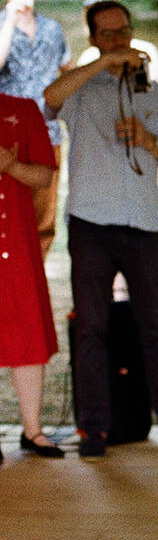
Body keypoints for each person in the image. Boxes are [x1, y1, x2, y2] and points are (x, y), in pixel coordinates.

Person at [43, 0, 158, 458]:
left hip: (142, 224)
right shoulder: (82, 89)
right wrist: (102, 64)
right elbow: (50, 98)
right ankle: (94, 430)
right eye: (107, 35)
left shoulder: (155, 94)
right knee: (92, 328)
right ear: (93, 40)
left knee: (156, 326)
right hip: (91, 222)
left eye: (123, 32)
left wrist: (148, 140)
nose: (119, 41)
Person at [0, 91, 62, 458]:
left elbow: (44, 176)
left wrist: (10, 166)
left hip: (18, 239)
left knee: (27, 330)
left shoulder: (23, 109)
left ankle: (33, 431)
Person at [0, 0, 73, 256]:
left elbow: (68, 71)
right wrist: (11, 16)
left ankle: (33, 288)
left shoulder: (52, 29)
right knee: (8, 222)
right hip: (7, 138)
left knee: (44, 224)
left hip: (47, 134)